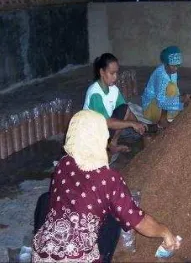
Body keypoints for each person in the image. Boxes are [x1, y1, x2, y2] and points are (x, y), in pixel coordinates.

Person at [32, 110, 180, 263]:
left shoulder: (63, 164)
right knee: (115, 214)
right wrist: (165, 232)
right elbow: (137, 220)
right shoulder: (109, 178)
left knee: (46, 199)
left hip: (42, 255)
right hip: (78, 258)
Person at [83, 53, 154, 154]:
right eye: (112, 73)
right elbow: (107, 122)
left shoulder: (114, 90)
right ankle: (102, 149)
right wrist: (132, 124)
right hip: (92, 134)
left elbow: (126, 111)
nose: (115, 77)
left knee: (124, 109)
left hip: (104, 129)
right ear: (102, 72)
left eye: (116, 73)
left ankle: (113, 145)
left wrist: (139, 124)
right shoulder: (95, 93)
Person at [142, 46, 191, 128]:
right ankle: (163, 119)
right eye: (173, 66)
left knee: (175, 91)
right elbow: (160, 101)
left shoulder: (172, 71)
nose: (176, 69)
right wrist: (180, 99)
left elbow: (176, 91)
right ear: (165, 63)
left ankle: (168, 116)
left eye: (177, 66)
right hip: (151, 108)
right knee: (171, 88)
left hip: (161, 105)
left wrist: (182, 99)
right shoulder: (160, 75)